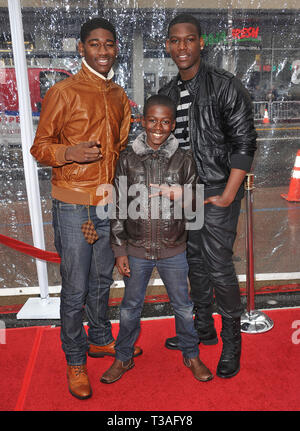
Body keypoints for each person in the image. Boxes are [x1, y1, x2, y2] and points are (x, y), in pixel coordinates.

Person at [30, 17, 142, 400]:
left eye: (109, 44)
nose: (103, 51)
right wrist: (68, 153)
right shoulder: (63, 92)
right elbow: (39, 147)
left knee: (100, 280)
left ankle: (98, 339)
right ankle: (75, 359)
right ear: (81, 48)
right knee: (75, 287)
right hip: (74, 206)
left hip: (106, 204)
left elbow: (122, 147)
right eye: (95, 44)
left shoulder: (117, 94)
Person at [159, 13, 257, 378]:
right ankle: (204, 329)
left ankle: (233, 343)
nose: (181, 46)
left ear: (201, 43)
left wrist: (229, 194)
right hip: (183, 195)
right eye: (175, 40)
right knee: (194, 265)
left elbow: (245, 143)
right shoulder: (168, 92)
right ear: (168, 45)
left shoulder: (224, 86)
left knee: (217, 267)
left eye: (189, 39)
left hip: (217, 192)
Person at [100, 94, 213, 384]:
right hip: (136, 250)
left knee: (184, 307)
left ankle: (191, 353)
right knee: (129, 308)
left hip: (173, 249)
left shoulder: (184, 159)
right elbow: (117, 207)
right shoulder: (127, 159)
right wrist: (119, 249)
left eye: (165, 122)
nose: (158, 127)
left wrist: (182, 194)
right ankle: (123, 357)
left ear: (173, 124)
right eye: (152, 120)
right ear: (142, 121)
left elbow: (196, 204)